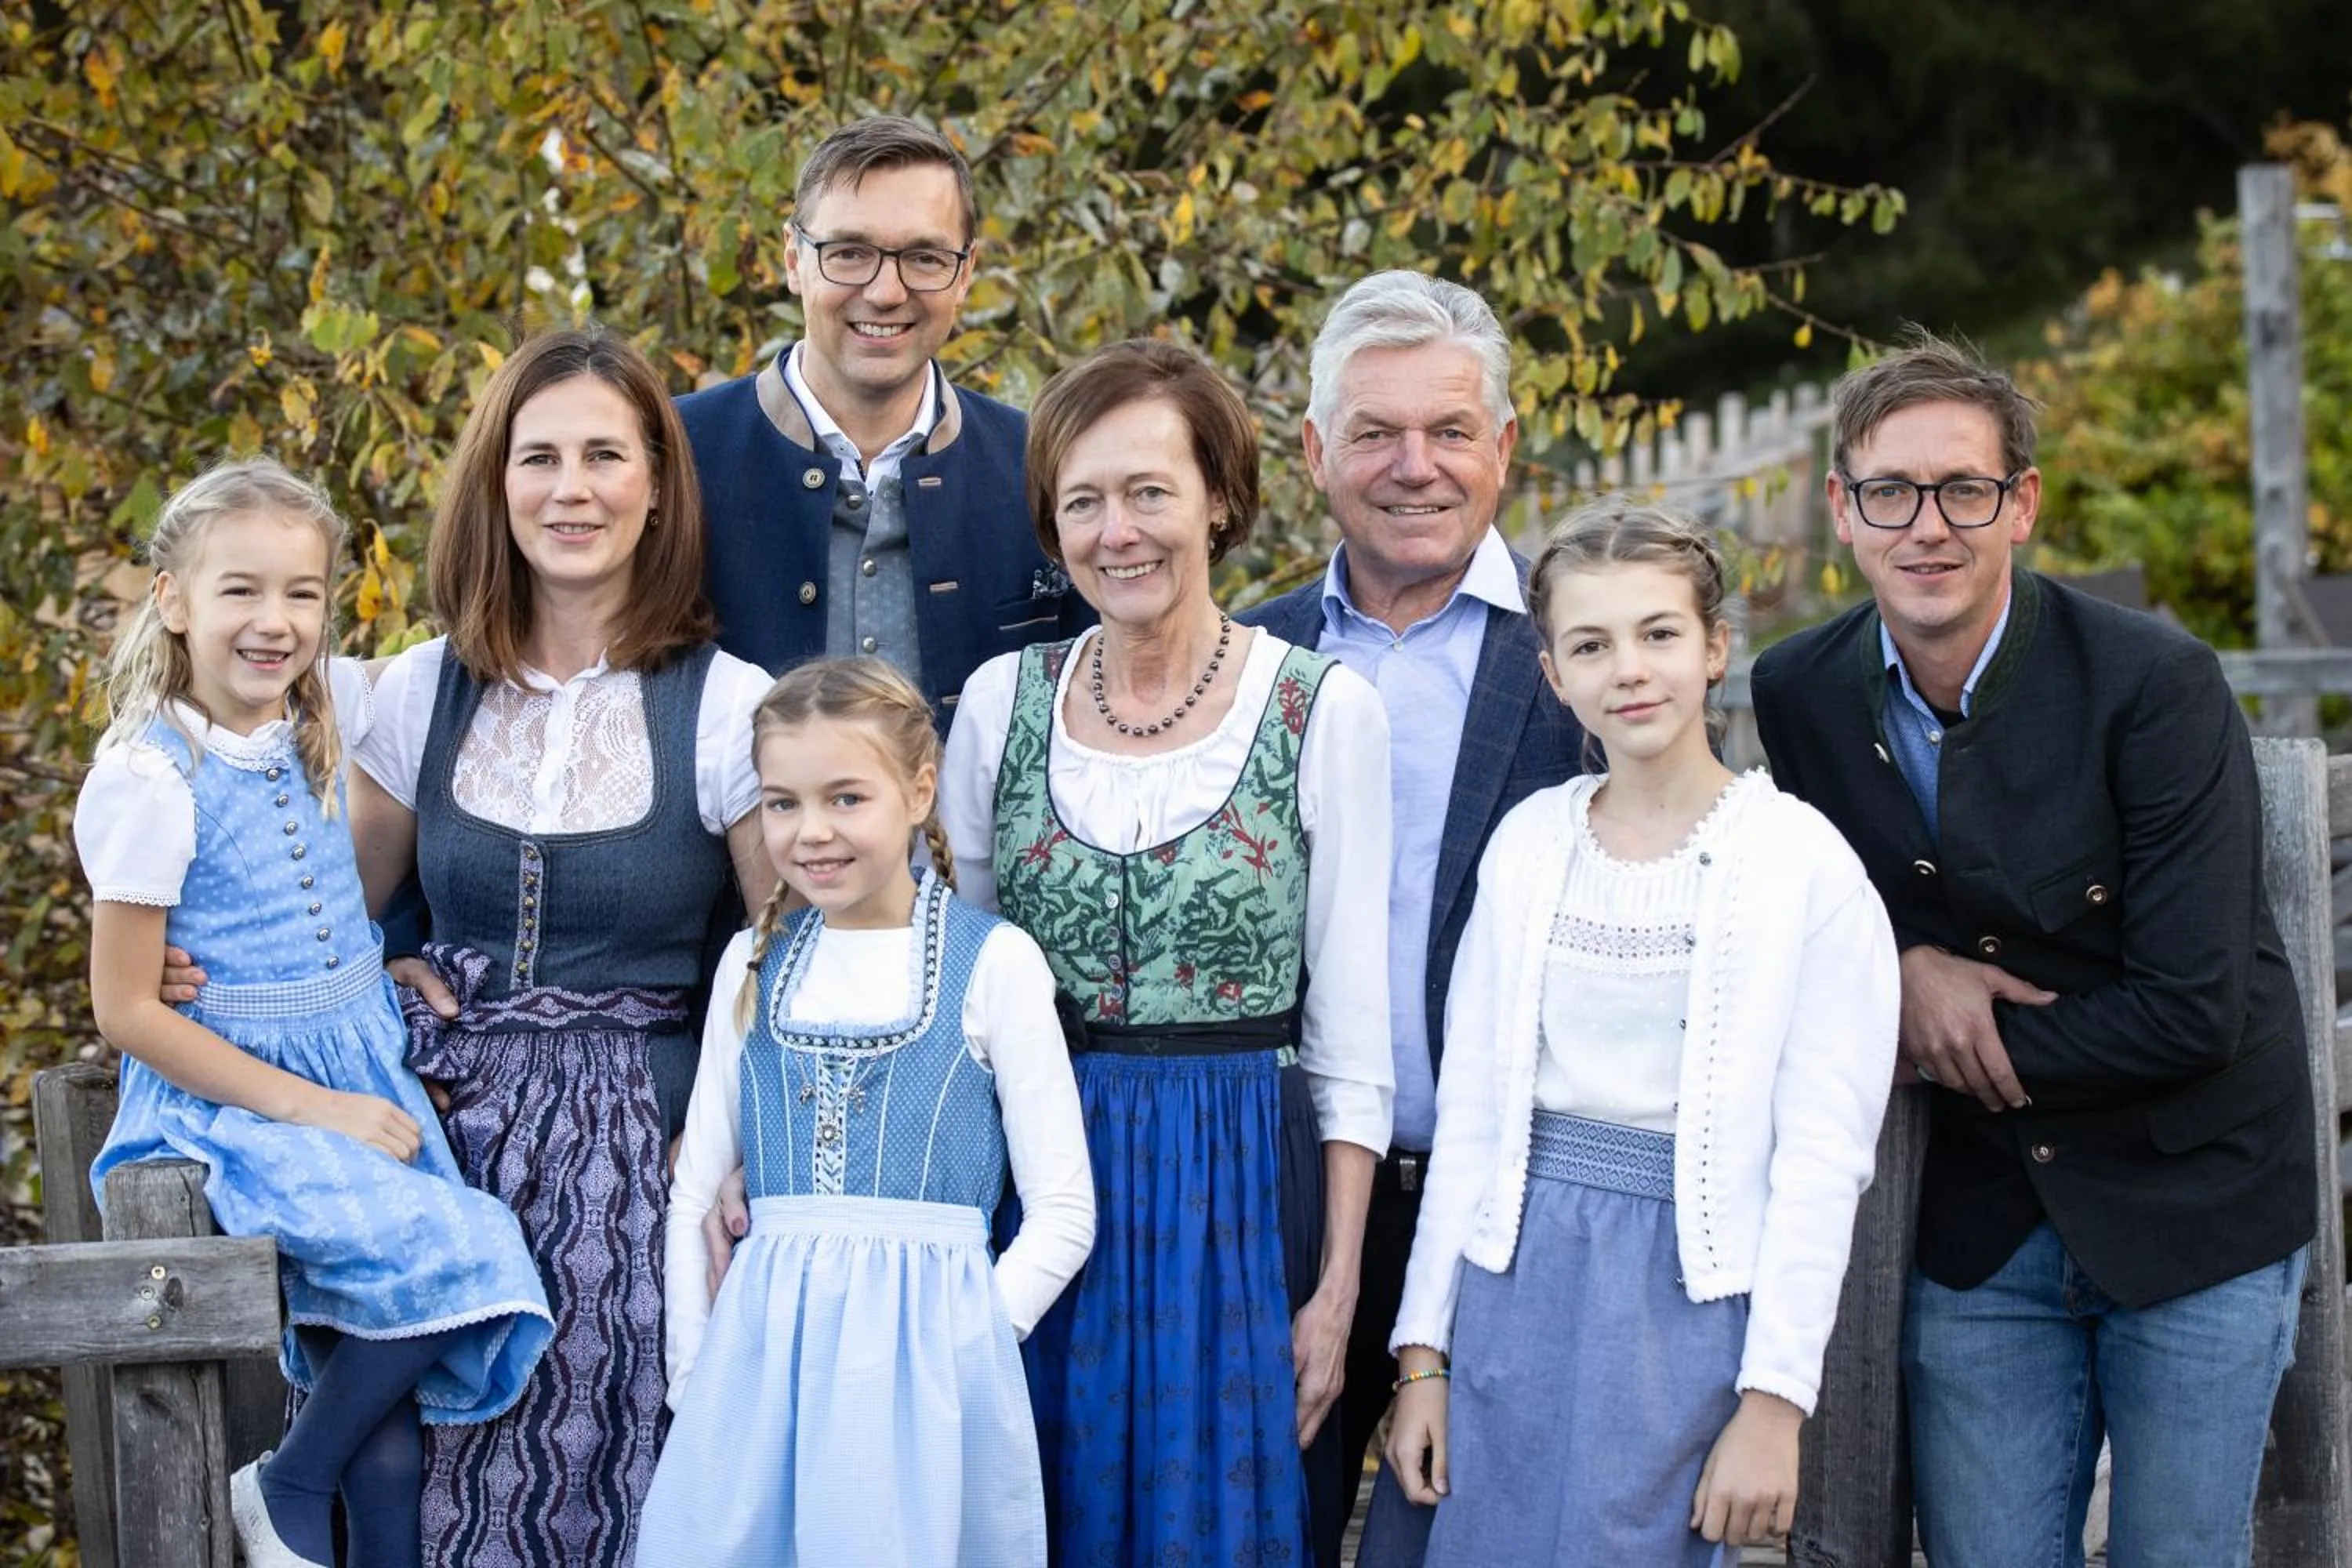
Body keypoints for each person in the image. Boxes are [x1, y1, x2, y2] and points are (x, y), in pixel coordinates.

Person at [1750, 330, 2317, 1568]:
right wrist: (1899, 968)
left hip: (2194, 1199)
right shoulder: (1798, 689)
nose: (1928, 526)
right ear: (1843, 511)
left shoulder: (2153, 684)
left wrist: (1955, 1034)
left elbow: (2195, 1009)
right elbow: (1821, 901)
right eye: (1891, 492)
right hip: (1990, 1214)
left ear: (2024, 506)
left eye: (1966, 489)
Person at [935, 338, 1394, 1566]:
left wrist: (1338, 1289)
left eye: (1149, 491)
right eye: (1082, 501)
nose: (1116, 531)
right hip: (1041, 1186)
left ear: (1221, 500)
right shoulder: (999, 705)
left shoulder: (1321, 711)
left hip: (1240, 1180)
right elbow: (962, 1001)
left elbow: (1352, 1037)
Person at [1381, 502, 1899, 1564]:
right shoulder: (1530, 845)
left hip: (1684, 1304)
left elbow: (1821, 1163)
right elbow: (1475, 1122)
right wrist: (1422, 1357)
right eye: (1590, 643)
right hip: (1512, 1279)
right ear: (1553, 671)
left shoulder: (1804, 866)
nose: (1630, 668)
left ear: (1714, 649)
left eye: (1659, 633)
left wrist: (1773, 1403)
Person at [345, 328, 775, 1568]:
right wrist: (360, 974)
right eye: (539, 457)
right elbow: (334, 922)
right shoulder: (419, 691)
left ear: (656, 486)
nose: (570, 488)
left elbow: (783, 961)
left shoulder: (726, 703)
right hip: (441, 1151)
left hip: (643, 1161)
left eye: (603, 455)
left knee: (625, 1482)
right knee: (420, 1487)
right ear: (497, 484)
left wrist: (737, 1147)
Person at [75, 458, 552, 1568]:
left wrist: (355, 973)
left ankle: (325, 1509)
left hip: (357, 1063)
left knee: (384, 1404)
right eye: (240, 589)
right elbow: (127, 1010)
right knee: (466, 1254)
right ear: (173, 600)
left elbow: (481, 633)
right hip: (238, 1104)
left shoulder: (330, 700)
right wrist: (313, 1108)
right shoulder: (150, 780)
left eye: (302, 592)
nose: (274, 620)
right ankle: (284, 1480)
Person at [1238, 269, 1584, 1555]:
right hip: (1282, 1206)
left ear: (1501, 449)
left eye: (1448, 432)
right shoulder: (1244, 658)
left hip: (1507, 1210)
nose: (1414, 466)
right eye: (1376, 433)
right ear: (1318, 452)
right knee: (1266, 1529)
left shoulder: (1581, 661)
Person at [635, 659, 1093, 1566]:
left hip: (932, 1379)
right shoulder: (752, 964)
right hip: (760, 1372)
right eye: (782, 803)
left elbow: (1064, 1212)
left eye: (846, 798)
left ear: (919, 790)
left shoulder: (993, 962)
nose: (811, 832)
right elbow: (693, 1195)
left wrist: (968, 1347)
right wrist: (698, 1369)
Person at [677, 115, 1087, 717]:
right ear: (793, 260)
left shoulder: (1042, 466)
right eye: (849, 253)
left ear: (966, 273)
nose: (887, 291)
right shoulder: (670, 453)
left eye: (924, 257)